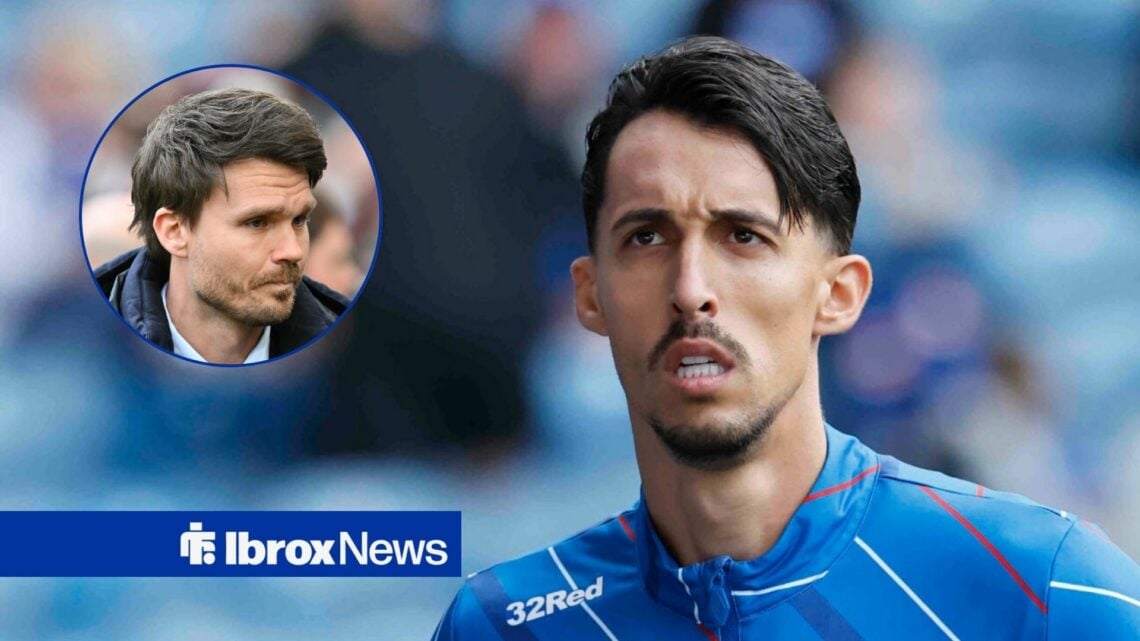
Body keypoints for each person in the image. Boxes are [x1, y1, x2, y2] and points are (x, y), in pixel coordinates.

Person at [433, 37, 1140, 639]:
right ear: (590, 295)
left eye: (744, 236)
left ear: (839, 293)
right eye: (646, 237)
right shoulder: (499, 624)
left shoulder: (1043, 587)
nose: (690, 286)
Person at [94, 88, 349, 364]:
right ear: (174, 231)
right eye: (257, 223)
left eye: (299, 220)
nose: (293, 251)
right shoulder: (86, 352)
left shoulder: (352, 356)